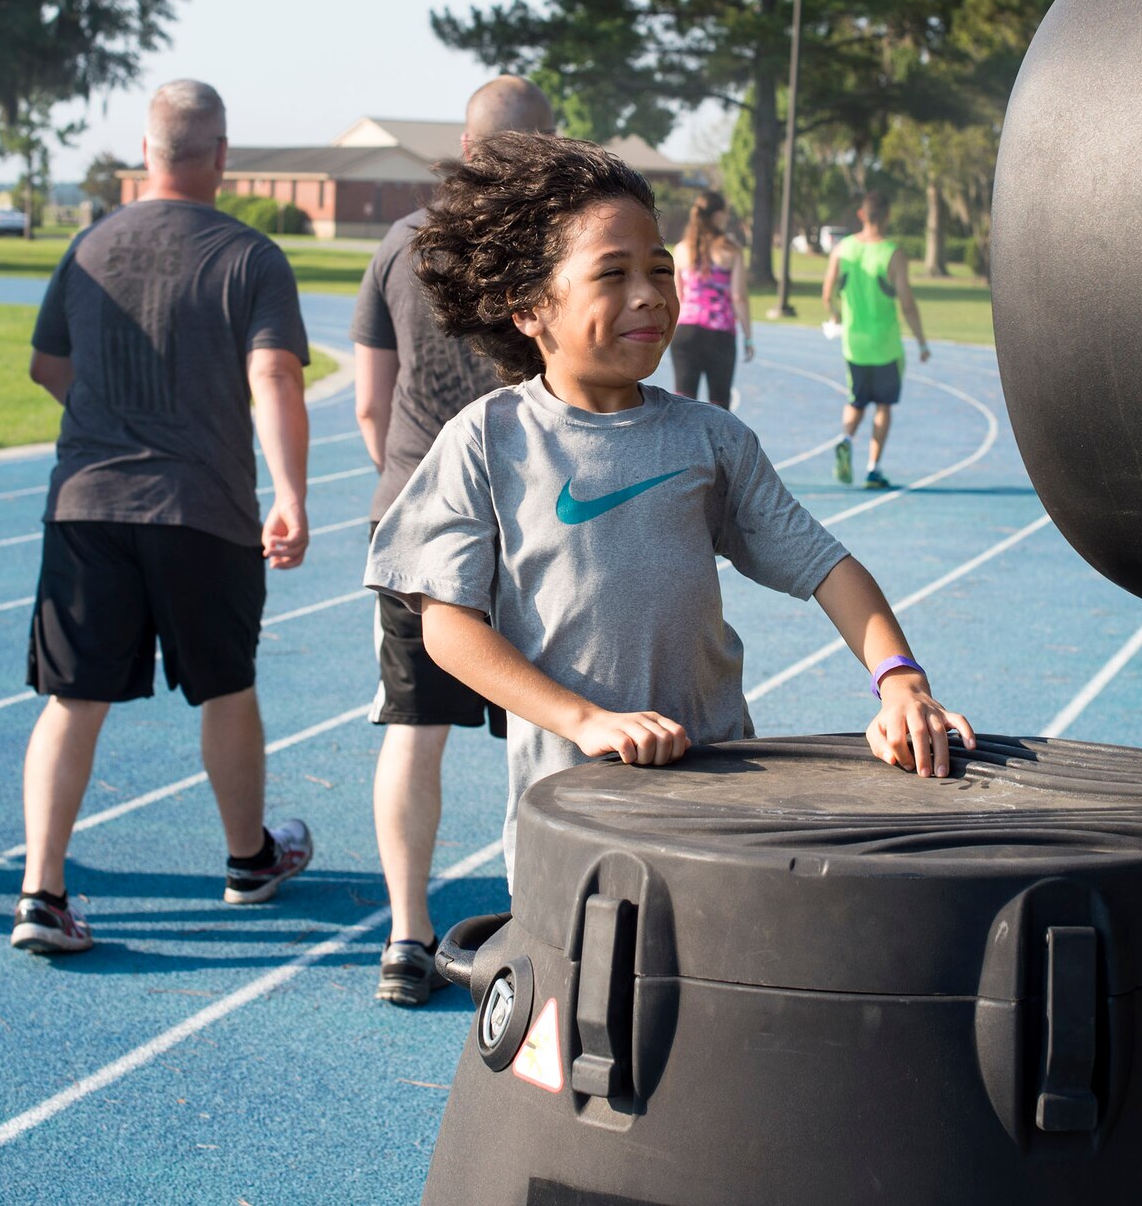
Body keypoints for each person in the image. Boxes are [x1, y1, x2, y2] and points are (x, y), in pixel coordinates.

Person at [365, 134, 975, 886]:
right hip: (572, 808)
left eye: (659, 269)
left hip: (716, 798)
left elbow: (826, 566)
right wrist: (587, 720)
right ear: (530, 308)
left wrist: (900, 679)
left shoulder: (710, 439)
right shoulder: (486, 441)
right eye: (612, 274)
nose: (650, 293)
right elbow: (447, 627)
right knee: (571, 999)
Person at [10, 80, 314, 955]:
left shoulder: (88, 243)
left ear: (143, 153)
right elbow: (275, 377)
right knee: (225, 684)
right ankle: (248, 858)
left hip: (87, 505)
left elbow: (43, 365)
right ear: (221, 155)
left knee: (74, 697)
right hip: (202, 506)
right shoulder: (250, 256)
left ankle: (41, 889)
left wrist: (110, 412)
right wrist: (290, 492)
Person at [351, 74, 552, 1006]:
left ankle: (405, 936)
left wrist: (413, 480)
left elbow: (368, 399)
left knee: (413, 731)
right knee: (544, 732)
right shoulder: (553, 248)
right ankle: (542, 925)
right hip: (532, 513)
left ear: (466, 148)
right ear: (543, 149)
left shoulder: (398, 244)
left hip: (416, 511)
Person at [822, 190, 928, 490]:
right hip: (885, 345)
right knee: (883, 405)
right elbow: (907, 303)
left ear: (861, 215)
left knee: (856, 400)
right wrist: (921, 342)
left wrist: (835, 316)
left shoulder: (842, 249)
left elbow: (827, 293)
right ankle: (873, 468)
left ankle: (845, 439)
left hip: (854, 344)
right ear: (888, 216)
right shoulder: (892, 252)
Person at [669, 189, 752, 404]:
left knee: (683, 406)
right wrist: (748, 337)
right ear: (718, 216)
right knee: (719, 406)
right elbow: (738, 297)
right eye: (726, 213)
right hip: (720, 334)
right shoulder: (731, 250)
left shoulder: (680, 250)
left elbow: (679, 296)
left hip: (686, 334)